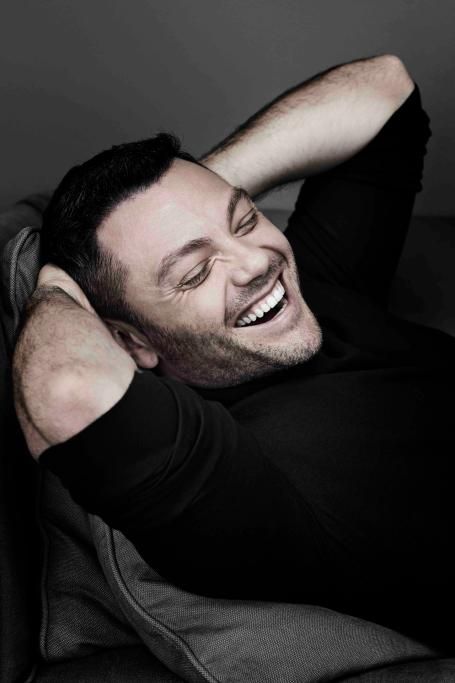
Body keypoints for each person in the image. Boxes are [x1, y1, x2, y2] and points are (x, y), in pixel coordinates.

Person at [12, 55, 455, 651]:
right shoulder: (235, 474)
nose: (255, 262)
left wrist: (185, 194)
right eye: (196, 273)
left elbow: (385, 88)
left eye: (245, 220)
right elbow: (66, 390)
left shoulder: (313, 290)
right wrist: (54, 282)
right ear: (131, 341)